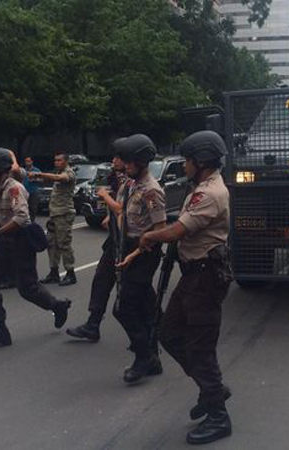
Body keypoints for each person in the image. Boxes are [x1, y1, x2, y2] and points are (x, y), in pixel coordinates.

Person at [138, 131, 233, 445]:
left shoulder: (209, 193)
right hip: (193, 275)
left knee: (200, 348)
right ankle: (213, 390)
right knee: (169, 334)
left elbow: (178, 230)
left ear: (201, 161)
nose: (184, 165)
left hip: (205, 278)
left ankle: (218, 414)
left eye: (188, 160)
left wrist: (151, 236)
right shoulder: (201, 188)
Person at [0, 148, 72, 351]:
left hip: (20, 243)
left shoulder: (14, 188)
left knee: (27, 289)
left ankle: (57, 306)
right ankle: (1, 331)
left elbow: (21, 218)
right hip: (4, 243)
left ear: (0, 169)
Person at [110, 134, 167, 384]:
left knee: (123, 309)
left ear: (141, 161)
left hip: (144, 252)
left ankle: (144, 357)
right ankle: (153, 354)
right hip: (128, 246)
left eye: (129, 161)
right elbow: (123, 213)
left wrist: (133, 255)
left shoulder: (151, 190)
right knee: (146, 306)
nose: (125, 164)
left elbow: (160, 230)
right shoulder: (130, 184)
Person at [66, 152, 128, 342]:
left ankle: (153, 327)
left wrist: (105, 197)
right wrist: (110, 216)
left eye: (118, 157)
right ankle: (93, 324)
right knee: (102, 279)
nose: (113, 160)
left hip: (130, 243)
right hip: (115, 240)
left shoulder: (132, 181)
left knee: (135, 290)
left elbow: (123, 209)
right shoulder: (117, 178)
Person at [30, 152, 77, 286]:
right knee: (51, 244)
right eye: (55, 160)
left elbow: (59, 178)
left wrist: (39, 174)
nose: (56, 162)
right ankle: (54, 272)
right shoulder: (58, 172)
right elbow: (52, 178)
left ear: (66, 161)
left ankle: (70, 273)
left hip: (64, 214)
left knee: (64, 244)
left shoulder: (69, 173)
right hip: (54, 214)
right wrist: (36, 179)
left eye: (59, 160)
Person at [23, 156, 41, 222]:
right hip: (24, 191)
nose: (27, 163)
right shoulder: (23, 170)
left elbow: (42, 179)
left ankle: (32, 221)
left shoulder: (36, 170)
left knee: (33, 207)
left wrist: (34, 179)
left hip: (33, 191)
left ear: (32, 162)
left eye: (28, 161)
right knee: (24, 207)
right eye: (26, 161)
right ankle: (25, 221)